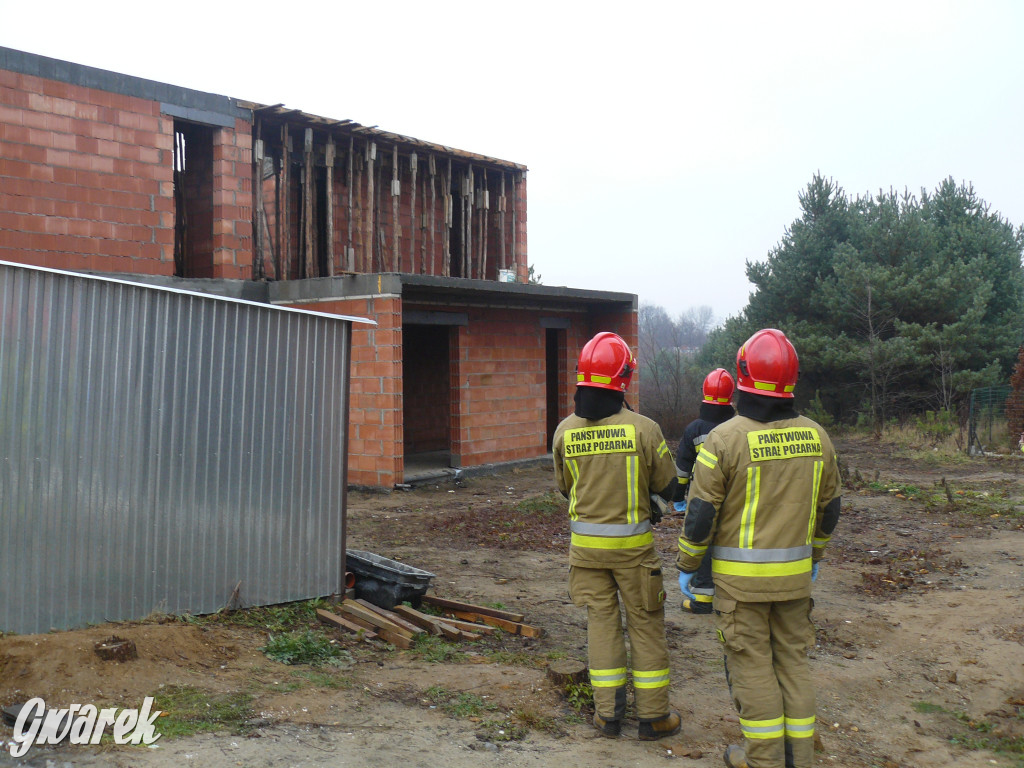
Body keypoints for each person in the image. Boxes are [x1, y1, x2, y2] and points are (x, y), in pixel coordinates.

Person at [675, 329, 841, 768]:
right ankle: (798, 759)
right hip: (794, 581)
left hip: (740, 587)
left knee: (752, 667)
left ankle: (764, 760)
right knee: (792, 663)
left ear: (743, 374)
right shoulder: (817, 437)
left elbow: (700, 515)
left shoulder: (724, 439)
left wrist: (688, 566)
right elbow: (829, 509)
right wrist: (816, 557)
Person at [552, 331, 682, 741]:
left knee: (601, 627)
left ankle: (607, 717)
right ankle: (654, 717)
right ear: (623, 379)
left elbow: (564, 486)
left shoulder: (564, 431)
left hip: (585, 553)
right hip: (633, 554)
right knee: (644, 627)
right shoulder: (644, 429)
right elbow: (669, 485)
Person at [673, 367, 736, 614]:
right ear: (732, 396)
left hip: (703, 499)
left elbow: (682, 470)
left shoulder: (694, 430)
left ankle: (703, 598)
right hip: (736, 499)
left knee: (703, 542)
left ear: (704, 393)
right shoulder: (739, 426)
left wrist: (678, 498)